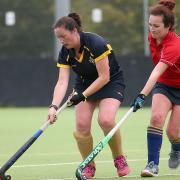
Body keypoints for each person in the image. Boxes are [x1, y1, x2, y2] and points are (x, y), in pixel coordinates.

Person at [47, 12, 130, 179]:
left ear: (75, 31)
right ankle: (88, 165)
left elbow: (104, 77)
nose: (61, 41)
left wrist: (82, 96)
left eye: (63, 36)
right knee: (82, 126)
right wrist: (54, 106)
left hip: (110, 82)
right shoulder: (65, 52)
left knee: (106, 120)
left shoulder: (96, 43)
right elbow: (62, 82)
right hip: (84, 83)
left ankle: (119, 158)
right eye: (58, 38)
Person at [131, 0, 180, 177]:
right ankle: (152, 165)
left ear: (168, 26)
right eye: (150, 24)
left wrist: (142, 95)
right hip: (165, 85)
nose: (152, 29)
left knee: (173, 132)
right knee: (156, 117)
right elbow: (160, 76)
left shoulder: (174, 45)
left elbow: (156, 71)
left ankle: (177, 149)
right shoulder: (152, 37)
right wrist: (144, 95)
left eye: (157, 26)